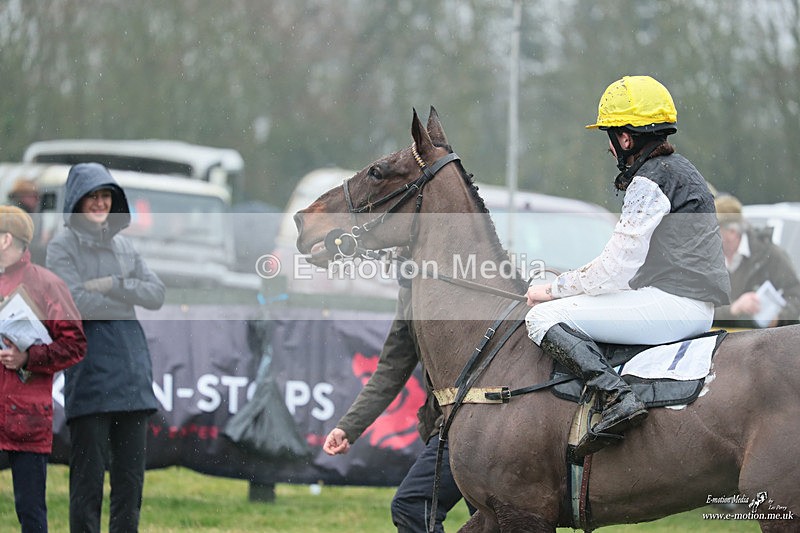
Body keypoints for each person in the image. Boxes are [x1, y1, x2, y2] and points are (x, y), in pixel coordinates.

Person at [525, 75, 730, 458]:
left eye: (609, 135)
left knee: (541, 318)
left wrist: (552, 290)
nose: (608, 146)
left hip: (675, 306)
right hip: (683, 302)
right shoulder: (679, 169)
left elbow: (614, 271)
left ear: (625, 138)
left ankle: (617, 396)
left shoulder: (650, 180)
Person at [45, 163, 166, 533]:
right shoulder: (61, 247)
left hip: (133, 378)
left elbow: (157, 294)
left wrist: (110, 283)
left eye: (105, 196)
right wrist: (125, 292)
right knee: (88, 482)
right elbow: (73, 303)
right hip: (90, 377)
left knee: (130, 484)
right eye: (92, 196)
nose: (100, 203)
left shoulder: (125, 246)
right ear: (77, 202)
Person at [323, 284, 474, 533]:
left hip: (488, 426)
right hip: (451, 425)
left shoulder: (471, 275)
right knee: (417, 508)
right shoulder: (411, 292)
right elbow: (391, 370)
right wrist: (348, 426)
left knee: (414, 506)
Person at [0, 205, 86, 533]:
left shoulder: (47, 285)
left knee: (30, 512)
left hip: (26, 417)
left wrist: (28, 358)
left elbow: (75, 345)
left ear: (6, 239)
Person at [713, 194, 800, 328]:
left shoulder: (770, 255)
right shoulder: (709, 260)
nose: (709, 236)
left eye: (714, 230)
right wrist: (734, 309)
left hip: (762, 344)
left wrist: (779, 319)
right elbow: (701, 310)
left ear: (732, 231)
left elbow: (796, 295)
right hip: (723, 344)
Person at [7, 179, 46, 265]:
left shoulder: (34, 216)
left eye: (38, 196)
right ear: (21, 196)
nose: (37, 200)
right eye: (33, 196)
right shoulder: (11, 215)